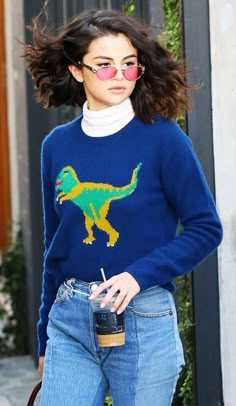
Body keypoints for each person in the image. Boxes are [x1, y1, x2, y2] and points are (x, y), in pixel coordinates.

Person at [23, 4, 223, 406]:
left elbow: (206, 228)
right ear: (76, 70)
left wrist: (138, 276)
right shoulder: (56, 146)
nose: (120, 76)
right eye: (105, 65)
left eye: (129, 65)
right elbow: (55, 247)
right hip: (71, 320)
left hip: (143, 315)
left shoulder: (164, 139)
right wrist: (45, 336)